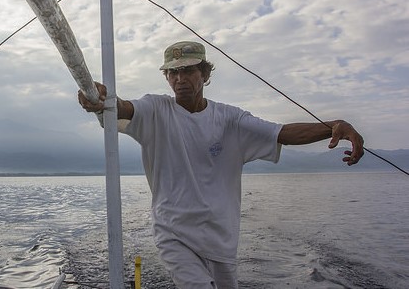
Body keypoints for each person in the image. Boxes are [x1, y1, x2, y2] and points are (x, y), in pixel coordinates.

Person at [77, 41, 364, 289]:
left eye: (188, 70)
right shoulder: (156, 110)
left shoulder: (230, 119)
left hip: (222, 238)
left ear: (204, 73)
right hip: (174, 233)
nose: (180, 79)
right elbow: (125, 107)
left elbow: (281, 133)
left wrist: (333, 127)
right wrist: (101, 98)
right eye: (173, 72)